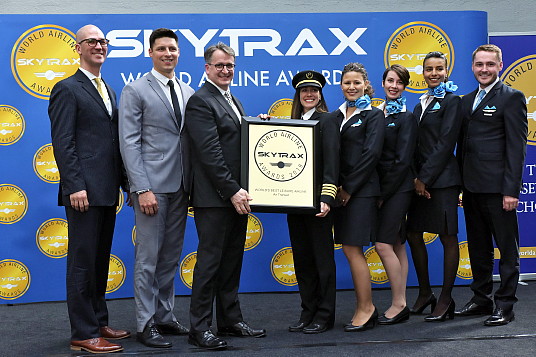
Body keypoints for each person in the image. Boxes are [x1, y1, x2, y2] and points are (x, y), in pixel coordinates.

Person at [49, 24, 130, 354]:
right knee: (82, 262)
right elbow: (63, 142)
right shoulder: (66, 88)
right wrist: (75, 186)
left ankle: (98, 321)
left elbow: (113, 142)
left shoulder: (107, 89)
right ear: (77, 48)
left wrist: (125, 183)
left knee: (98, 259)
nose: (99, 46)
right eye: (92, 42)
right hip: (83, 192)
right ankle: (82, 332)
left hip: (106, 190)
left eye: (103, 41)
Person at [184, 42, 266, 350]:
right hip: (216, 198)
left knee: (231, 261)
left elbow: (235, 141)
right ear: (207, 68)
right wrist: (232, 190)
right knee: (209, 263)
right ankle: (199, 328)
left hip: (235, 196)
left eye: (230, 65)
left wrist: (258, 128)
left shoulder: (232, 99)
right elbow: (210, 153)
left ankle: (230, 320)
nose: (225, 70)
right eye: (219, 65)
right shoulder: (200, 101)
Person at [119, 28, 194, 348]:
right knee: (148, 258)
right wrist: (141, 188)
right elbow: (129, 143)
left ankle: (165, 315)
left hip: (181, 187)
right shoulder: (134, 90)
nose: (168, 53)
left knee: (169, 258)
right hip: (151, 188)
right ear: (150, 52)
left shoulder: (188, 90)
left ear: (179, 53)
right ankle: (145, 322)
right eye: (161, 48)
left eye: (173, 49)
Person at [455, 44, 527, 326]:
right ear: (472, 67)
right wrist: (461, 186)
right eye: (479, 64)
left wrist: (511, 191)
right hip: (472, 189)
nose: (484, 69)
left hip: (499, 191)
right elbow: (463, 147)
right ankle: (481, 299)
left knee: (507, 250)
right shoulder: (466, 100)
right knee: (478, 248)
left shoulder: (512, 98)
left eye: (489, 64)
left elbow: (516, 148)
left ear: (499, 65)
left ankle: (505, 305)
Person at [406, 51, 462, 322]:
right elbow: (415, 146)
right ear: (423, 72)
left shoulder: (452, 101)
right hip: (420, 182)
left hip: (444, 182)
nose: (434, 73)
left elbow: (445, 143)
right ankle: (425, 292)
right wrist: (417, 178)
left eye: (439, 68)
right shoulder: (420, 104)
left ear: (446, 70)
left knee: (448, 237)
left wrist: (424, 178)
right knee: (414, 234)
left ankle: (446, 298)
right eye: (429, 69)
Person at [332, 62, 385, 332]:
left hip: (360, 193)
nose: (351, 87)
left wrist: (349, 188)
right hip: (342, 194)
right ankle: (363, 306)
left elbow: (371, 155)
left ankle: (367, 308)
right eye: (346, 83)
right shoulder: (336, 115)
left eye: (356, 82)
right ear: (340, 85)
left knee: (354, 249)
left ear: (366, 84)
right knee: (349, 249)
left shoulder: (373, 115)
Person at [286, 71, 339, 334]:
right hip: (294, 203)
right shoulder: (292, 123)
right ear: (298, 94)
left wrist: (327, 197)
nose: (309, 94)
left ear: (320, 94)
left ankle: (325, 315)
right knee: (303, 261)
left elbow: (331, 161)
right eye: (304, 90)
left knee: (322, 261)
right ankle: (308, 312)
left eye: (314, 90)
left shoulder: (328, 120)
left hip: (318, 202)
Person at [375, 65, 417, 325]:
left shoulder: (407, 117)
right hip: (382, 189)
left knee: (383, 244)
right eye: (390, 80)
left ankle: (399, 304)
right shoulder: (375, 113)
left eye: (399, 82)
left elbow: (403, 161)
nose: (394, 85)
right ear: (382, 83)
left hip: (398, 189)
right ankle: (401, 301)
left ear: (405, 86)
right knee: (398, 243)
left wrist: (382, 194)